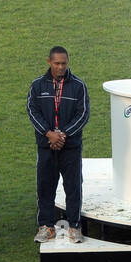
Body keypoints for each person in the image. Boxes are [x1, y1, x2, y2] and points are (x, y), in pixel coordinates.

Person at [27, 46, 89, 244]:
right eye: (57, 63)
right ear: (49, 62)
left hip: (70, 147)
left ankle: (74, 226)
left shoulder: (79, 86)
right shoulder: (37, 85)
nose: (61, 67)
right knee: (45, 187)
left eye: (64, 63)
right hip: (46, 145)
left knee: (73, 187)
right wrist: (49, 134)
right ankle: (46, 227)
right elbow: (32, 111)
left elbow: (83, 114)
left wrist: (61, 135)